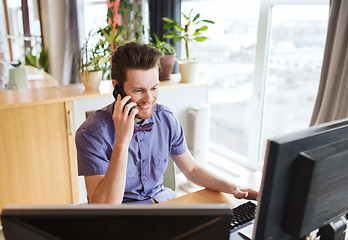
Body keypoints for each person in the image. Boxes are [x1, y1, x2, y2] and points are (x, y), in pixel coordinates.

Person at [76, 42, 258, 204]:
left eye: (154, 88)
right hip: (124, 220)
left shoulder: (166, 118)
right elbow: (105, 207)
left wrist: (233, 188)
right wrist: (122, 141)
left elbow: (192, 169)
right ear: (117, 87)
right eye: (139, 90)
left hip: (166, 206)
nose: (149, 99)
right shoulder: (91, 134)